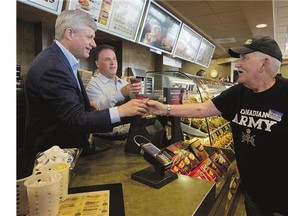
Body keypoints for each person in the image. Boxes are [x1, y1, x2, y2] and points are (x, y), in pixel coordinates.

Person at [145, 36, 288, 216]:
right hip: (253, 192)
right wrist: (164, 109)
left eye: (244, 58)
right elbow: (202, 108)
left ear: (264, 63)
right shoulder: (237, 93)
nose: (238, 64)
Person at [20, 10, 147, 178]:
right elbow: (74, 120)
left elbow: (73, 113)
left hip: (64, 156)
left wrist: (131, 113)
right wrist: (122, 111)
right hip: (50, 165)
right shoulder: (52, 66)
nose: (93, 44)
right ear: (69, 33)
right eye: (89, 37)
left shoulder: (63, 61)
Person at [85, 44, 142, 151]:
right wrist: (121, 93)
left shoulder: (124, 83)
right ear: (97, 63)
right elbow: (99, 111)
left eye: (114, 59)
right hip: (105, 142)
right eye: (107, 59)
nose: (113, 63)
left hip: (129, 137)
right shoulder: (93, 85)